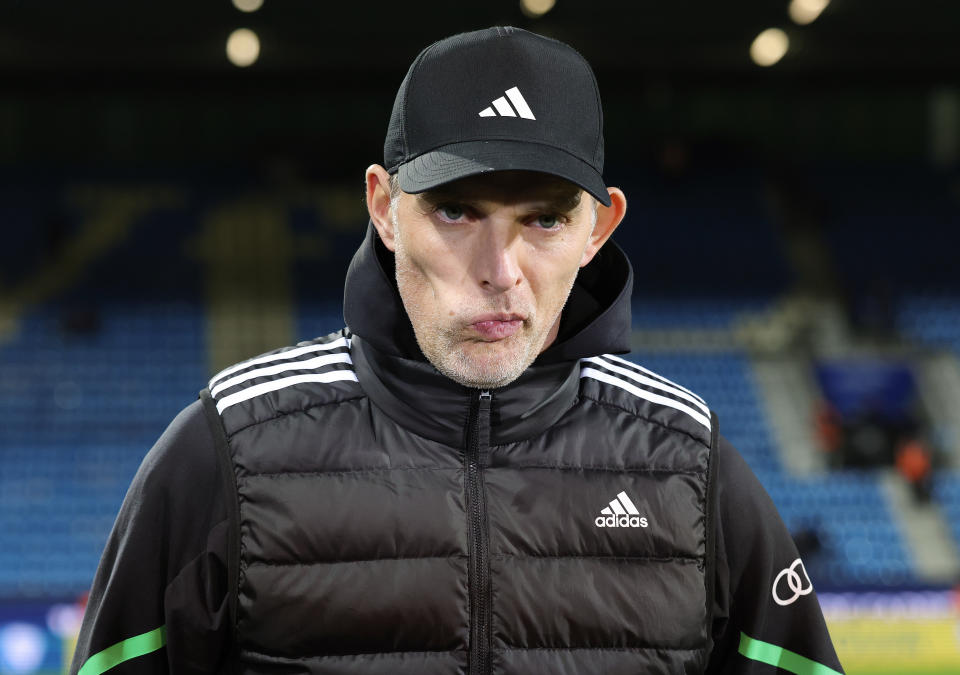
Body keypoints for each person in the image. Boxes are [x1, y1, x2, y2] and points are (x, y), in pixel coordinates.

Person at [71, 26, 844, 674]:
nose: (500, 271)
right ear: (383, 207)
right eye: (454, 210)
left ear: (599, 229)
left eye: (543, 220)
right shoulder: (222, 452)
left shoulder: (691, 461)